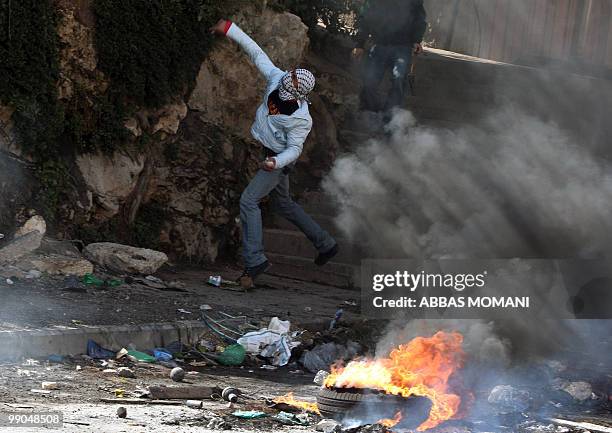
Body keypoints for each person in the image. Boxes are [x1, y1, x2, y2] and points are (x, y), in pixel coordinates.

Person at [210, 19, 338, 289]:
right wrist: (229, 29)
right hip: (269, 152)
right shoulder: (277, 78)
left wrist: (275, 162)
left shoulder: (301, 119)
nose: (287, 76)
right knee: (283, 204)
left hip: (278, 160)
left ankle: (255, 260)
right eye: (290, 74)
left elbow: (295, 149)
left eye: (291, 78)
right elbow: (257, 52)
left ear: (297, 89)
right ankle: (326, 244)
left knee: (248, 201)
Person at [353, 0, 427, 112]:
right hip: (380, 44)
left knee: (399, 79)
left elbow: (419, 19)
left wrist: (417, 40)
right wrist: (360, 44)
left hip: (403, 46)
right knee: (369, 81)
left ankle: (391, 117)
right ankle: (370, 113)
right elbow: (366, 18)